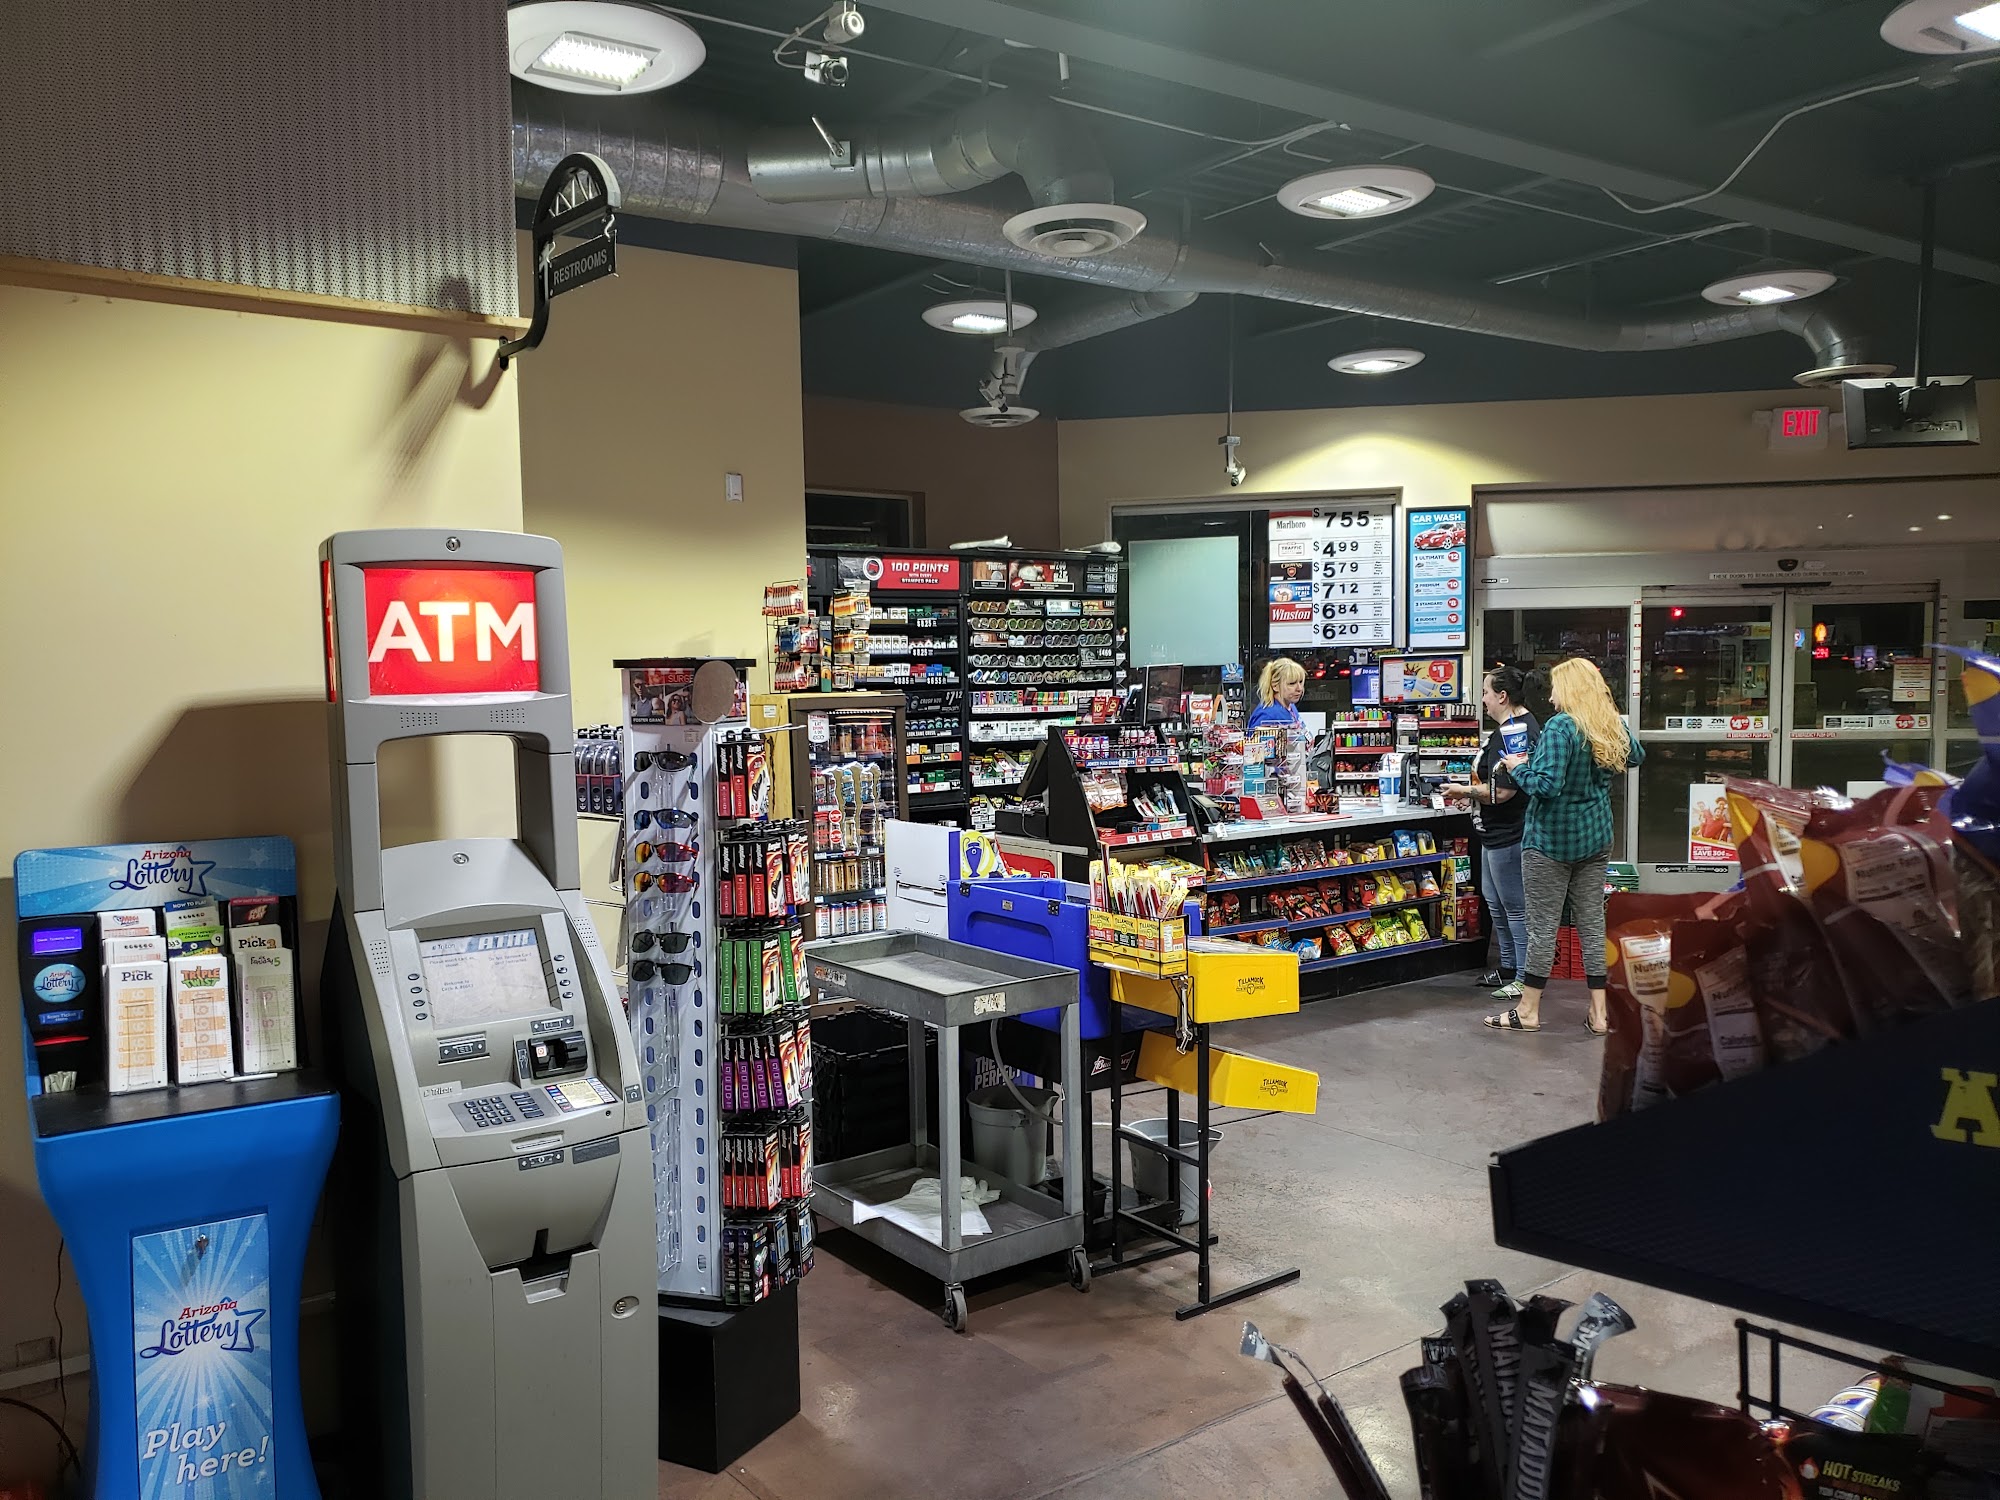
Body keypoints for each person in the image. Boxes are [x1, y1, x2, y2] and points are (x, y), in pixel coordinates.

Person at [1484, 657, 1645, 1036]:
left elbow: (1546, 786)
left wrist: (1517, 766)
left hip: (1551, 842)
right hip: (1596, 837)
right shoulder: (1604, 723)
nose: (1551, 696)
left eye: (1556, 687)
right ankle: (1600, 1014)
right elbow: (1636, 755)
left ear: (1570, 689)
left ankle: (1528, 1011)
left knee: (1542, 928)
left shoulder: (1560, 726)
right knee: (1592, 925)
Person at [1440, 666, 1542, 1004]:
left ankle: (1524, 977)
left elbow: (1505, 792)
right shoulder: (1508, 728)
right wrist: (1472, 795)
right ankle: (1509, 967)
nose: (1482, 699)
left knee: (1514, 907)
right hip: (1493, 832)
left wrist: (1464, 791)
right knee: (1495, 902)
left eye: (1485, 692)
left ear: (1502, 696)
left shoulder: (1517, 732)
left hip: (1509, 833)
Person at [1247, 657, 1305, 729]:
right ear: (1275, 686)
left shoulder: (1290, 706)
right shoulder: (1267, 715)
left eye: (1300, 682)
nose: (1299, 688)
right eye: (1292, 683)